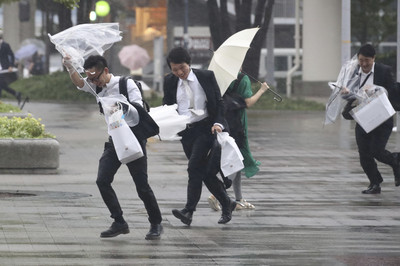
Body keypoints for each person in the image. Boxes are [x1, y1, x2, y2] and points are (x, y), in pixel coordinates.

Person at [62, 55, 163, 240]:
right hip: (114, 139)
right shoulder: (95, 85)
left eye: (95, 78)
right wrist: (69, 67)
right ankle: (119, 222)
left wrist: (121, 108)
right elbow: (79, 82)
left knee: (141, 186)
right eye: (90, 79)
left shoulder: (127, 84)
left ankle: (156, 223)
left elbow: (138, 108)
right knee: (102, 180)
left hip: (133, 138)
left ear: (106, 71)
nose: (93, 82)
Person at [163, 47, 236, 225]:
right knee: (203, 173)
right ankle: (227, 203)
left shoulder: (206, 76)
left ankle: (188, 211)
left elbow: (219, 103)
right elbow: (167, 105)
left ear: (189, 63)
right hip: (186, 131)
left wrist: (218, 123)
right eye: (175, 69)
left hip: (206, 128)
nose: (179, 72)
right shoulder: (170, 81)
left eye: (182, 68)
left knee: (193, 168)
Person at [341, 44, 400, 194]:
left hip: (382, 117)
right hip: (363, 117)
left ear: (374, 58)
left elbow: (392, 92)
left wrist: (376, 91)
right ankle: (375, 183)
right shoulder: (353, 72)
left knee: (377, 151)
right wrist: (346, 92)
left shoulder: (384, 71)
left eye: (367, 60)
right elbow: (350, 93)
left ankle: (396, 160)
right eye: (361, 60)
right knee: (364, 154)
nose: (364, 64)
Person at [207, 73, 269, 211]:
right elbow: (248, 102)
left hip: (221, 121)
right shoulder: (242, 79)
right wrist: (262, 90)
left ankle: (238, 198)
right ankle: (216, 194)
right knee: (236, 160)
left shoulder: (219, 76)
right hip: (237, 123)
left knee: (235, 160)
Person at [0, 30, 21, 105]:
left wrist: (11, 66)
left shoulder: (5, 45)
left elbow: (11, 55)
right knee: (2, 85)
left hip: (4, 68)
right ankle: (16, 93)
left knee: (0, 84)